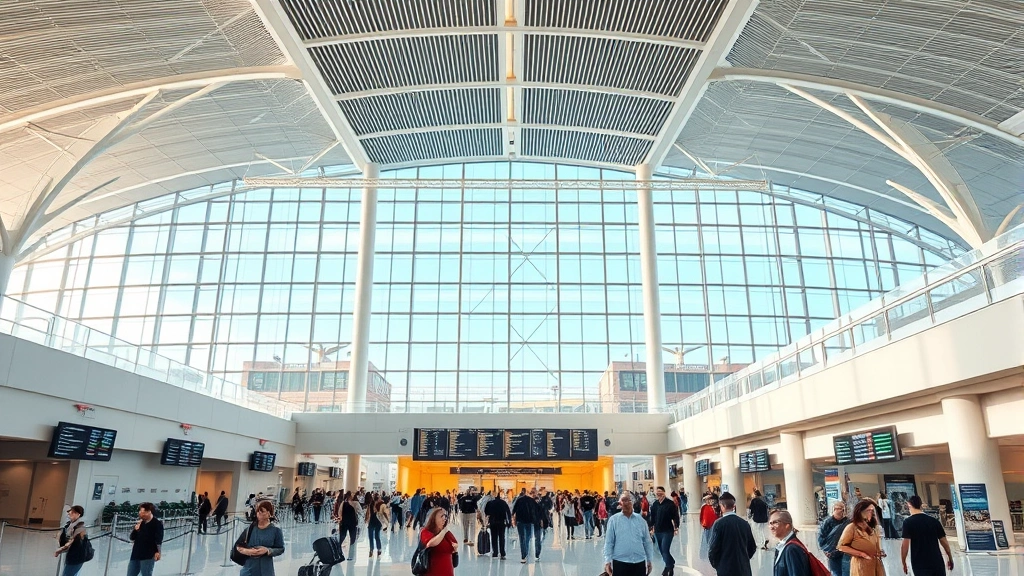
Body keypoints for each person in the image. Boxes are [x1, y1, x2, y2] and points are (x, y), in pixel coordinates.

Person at [900, 495, 953, 576]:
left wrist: (903, 563)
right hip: (937, 563)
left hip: (919, 565)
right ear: (921, 505)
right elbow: (944, 543)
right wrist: (950, 558)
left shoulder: (908, 522)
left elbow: (905, 546)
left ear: (909, 505)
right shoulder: (934, 521)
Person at [603, 492, 654, 576]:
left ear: (633, 502)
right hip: (620, 562)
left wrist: (649, 560)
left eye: (628, 500)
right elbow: (609, 542)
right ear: (620, 504)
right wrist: (607, 561)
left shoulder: (641, 520)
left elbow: (647, 541)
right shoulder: (613, 520)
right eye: (623, 500)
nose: (626, 503)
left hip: (639, 562)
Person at [708, 492, 756, 576]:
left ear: (722, 506)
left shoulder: (719, 524)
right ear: (734, 506)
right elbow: (752, 547)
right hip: (743, 569)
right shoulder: (744, 523)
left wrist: (718, 565)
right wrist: (743, 559)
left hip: (725, 569)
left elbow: (713, 549)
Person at [236, 500, 285, 576]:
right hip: (249, 569)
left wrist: (268, 550)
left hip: (265, 569)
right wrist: (247, 551)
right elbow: (239, 545)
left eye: (262, 511)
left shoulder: (275, 530)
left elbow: (281, 548)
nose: (259, 513)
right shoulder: (250, 529)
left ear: (269, 513)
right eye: (258, 511)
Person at [837, 501, 885, 576]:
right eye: (869, 510)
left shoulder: (874, 528)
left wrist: (880, 552)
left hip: (876, 564)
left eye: (873, 510)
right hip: (861, 565)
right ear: (860, 512)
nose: (872, 513)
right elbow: (841, 547)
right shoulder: (852, 527)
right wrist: (861, 554)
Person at [769, 510, 812, 576]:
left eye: (775, 523)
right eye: (770, 523)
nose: (771, 527)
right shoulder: (782, 546)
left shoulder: (792, 549)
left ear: (787, 525)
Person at [650, 486, 680, 576]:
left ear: (664, 492)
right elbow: (653, 517)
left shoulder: (670, 504)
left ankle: (669, 567)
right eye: (657, 491)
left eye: (660, 491)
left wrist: (676, 527)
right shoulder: (655, 504)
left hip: (667, 531)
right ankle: (671, 563)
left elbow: (675, 516)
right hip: (658, 531)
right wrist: (651, 528)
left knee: (665, 549)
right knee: (661, 551)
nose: (659, 493)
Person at [127, 502, 163, 576]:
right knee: (130, 574)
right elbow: (132, 537)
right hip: (136, 554)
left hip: (148, 555)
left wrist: (158, 552)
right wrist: (136, 529)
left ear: (149, 512)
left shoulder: (157, 524)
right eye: (140, 511)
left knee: (146, 574)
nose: (140, 513)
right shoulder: (141, 523)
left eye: (142, 512)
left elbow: (158, 540)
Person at [420, 508, 458, 576]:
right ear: (433, 518)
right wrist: (443, 531)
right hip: (433, 571)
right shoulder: (425, 532)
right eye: (441, 516)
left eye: (445, 516)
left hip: (448, 571)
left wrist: (455, 550)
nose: (444, 518)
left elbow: (454, 545)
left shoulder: (447, 533)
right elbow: (431, 543)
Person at [818, 501, 851, 576]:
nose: (840, 511)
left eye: (842, 509)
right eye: (838, 509)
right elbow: (821, 537)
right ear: (834, 509)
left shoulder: (848, 522)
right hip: (833, 554)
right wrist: (826, 551)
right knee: (836, 573)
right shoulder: (827, 522)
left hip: (846, 553)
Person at [511, 487, 543, 563]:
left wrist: (513, 519)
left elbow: (513, 510)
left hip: (520, 521)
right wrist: (539, 520)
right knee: (527, 538)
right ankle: (526, 553)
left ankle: (523, 556)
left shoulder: (519, 500)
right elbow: (538, 509)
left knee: (522, 538)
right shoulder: (532, 501)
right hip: (529, 521)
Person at [55, 505, 88, 576]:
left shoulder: (80, 526)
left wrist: (60, 550)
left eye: (73, 512)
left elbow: (74, 542)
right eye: (70, 511)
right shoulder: (69, 524)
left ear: (78, 514)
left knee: (68, 573)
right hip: (71, 554)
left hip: (77, 555)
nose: (69, 513)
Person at [484, 490, 512, 559]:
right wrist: (509, 522)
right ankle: (502, 553)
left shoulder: (490, 503)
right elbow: (508, 512)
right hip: (501, 522)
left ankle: (495, 553)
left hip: (493, 522)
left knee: (494, 537)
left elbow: (486, 512)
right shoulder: (503, 503)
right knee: (502, 537)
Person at [338, 491, 360, 559]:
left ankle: (338, 552)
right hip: (353, 523)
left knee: (342, 537)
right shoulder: (355, 503)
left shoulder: (343, 503)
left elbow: (340, 512)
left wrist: (341, 519)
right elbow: (360, 512)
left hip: (344, 522)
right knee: (352, 538)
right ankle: (351, 555)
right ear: (351, 496)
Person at [698, 495, 717, 559]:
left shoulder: (716, 507)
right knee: (706, 540)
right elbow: (702, 516)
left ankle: (712, 554)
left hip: (714, 526)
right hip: (707, 526)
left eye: (710, 500)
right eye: (707, 500)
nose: (709, 501)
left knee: (712, 540)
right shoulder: (704, 507)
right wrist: (703, 524)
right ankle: (704, 555)